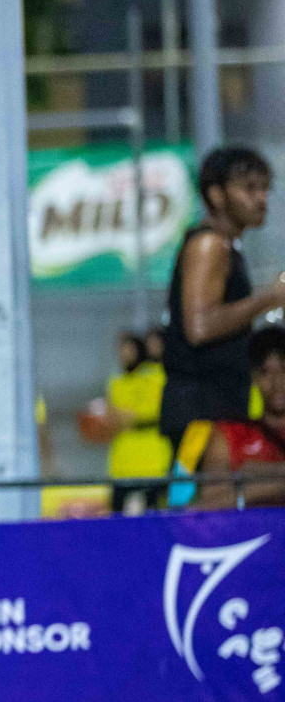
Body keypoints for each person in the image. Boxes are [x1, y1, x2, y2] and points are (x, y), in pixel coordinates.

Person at [160, 146, 285, 451]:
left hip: (216, 407)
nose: (261, 199)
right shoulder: (210, 244)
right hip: (201, 414)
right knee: (211, 496)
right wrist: (269, 298)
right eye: (249, 188)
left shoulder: (228, 246)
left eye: (265, 189)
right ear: (216, 195)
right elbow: (199, 326)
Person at [195, 327, 285, 510]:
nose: (277, 381)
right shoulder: (230, 436)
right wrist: (276, 483)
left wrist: (253, 476)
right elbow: (209, 503)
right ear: (254, 377)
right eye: (265, 372)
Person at [99, 333, 170, 515]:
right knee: (118, 516)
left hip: (152, 461)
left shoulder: (156, 377)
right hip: (122, 463)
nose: (124, 355)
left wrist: (126, 417)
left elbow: (140, 414)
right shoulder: (115, 382)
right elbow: (111, 418)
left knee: (153, 515)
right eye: (121, 350)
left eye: (129, 349)